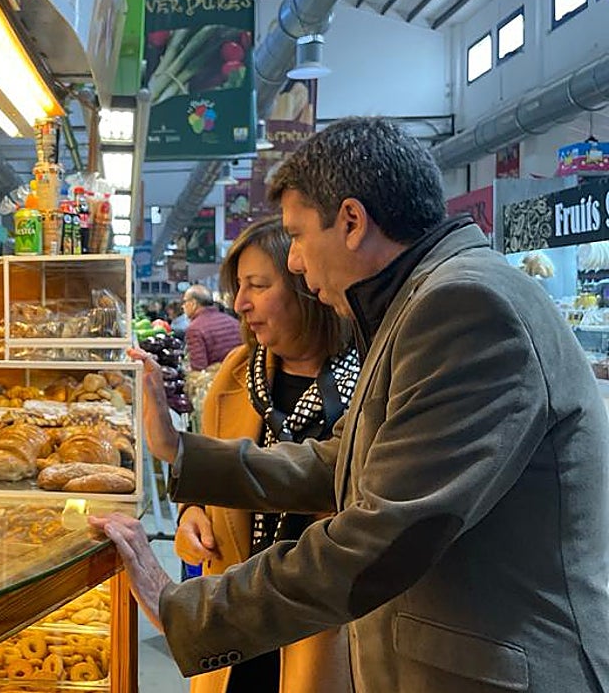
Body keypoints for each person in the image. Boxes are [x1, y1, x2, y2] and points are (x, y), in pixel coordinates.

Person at [93, 117, 609, 693]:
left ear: (352, 221)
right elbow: (341, 462)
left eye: (296, 235)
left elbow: (384, 533)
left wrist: (183, 606)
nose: (293, 261)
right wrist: (183, 454)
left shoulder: (465, 306)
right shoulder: (420, 301)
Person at [178, 216, 357, 693]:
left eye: (258, 285)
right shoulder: (237, 375)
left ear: (307, 285)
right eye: (239, 287)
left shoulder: (367, 383)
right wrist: (191, 510)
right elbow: (212, 470)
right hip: (236, 623)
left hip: (324, 634)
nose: (240, 303)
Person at [183, 284, 242, 370]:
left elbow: (198, 369)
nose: (183, 306)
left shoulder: (195, 328)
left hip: (218, 380)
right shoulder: (234, 322)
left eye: (185, 302)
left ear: (193, 304)